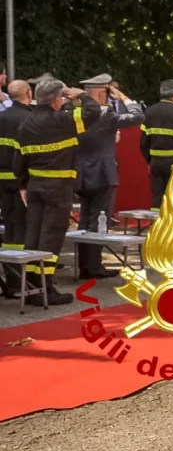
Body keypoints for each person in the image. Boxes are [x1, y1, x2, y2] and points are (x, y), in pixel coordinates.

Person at [14, 78, 102, 305]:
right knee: (51, 237)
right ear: (57, 100)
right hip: (58, 188)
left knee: (33, 234)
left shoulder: (25, 124)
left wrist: (24, 184)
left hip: (34, 188)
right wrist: (80, 95)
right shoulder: (63, 120)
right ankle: (46, 289)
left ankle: (31, 285)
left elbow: (18, 160)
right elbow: (92, 113)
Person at [74, 74, 144, 278]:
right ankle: (94, 266)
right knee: (98, 220)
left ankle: (84, 265)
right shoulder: (106, 115)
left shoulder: (76, 114)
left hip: (82, 172)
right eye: (107, 92)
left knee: (84, 221)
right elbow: (137, 116)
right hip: (103, 174)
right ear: (99, 93)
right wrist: (124, 97)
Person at [0, 79, 33, 297]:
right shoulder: (29, 119)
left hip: (2, 181)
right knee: (22, 229)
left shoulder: (1, 117)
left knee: (10, 228)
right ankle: (22, 281)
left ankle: (11, 279)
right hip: (22, 182)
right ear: (28, 94)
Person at [141, 79, 173, 210]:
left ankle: (157, 227)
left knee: (157, 196)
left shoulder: (149, 112)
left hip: (155, 162)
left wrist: (149, 160)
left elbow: (143, 143)